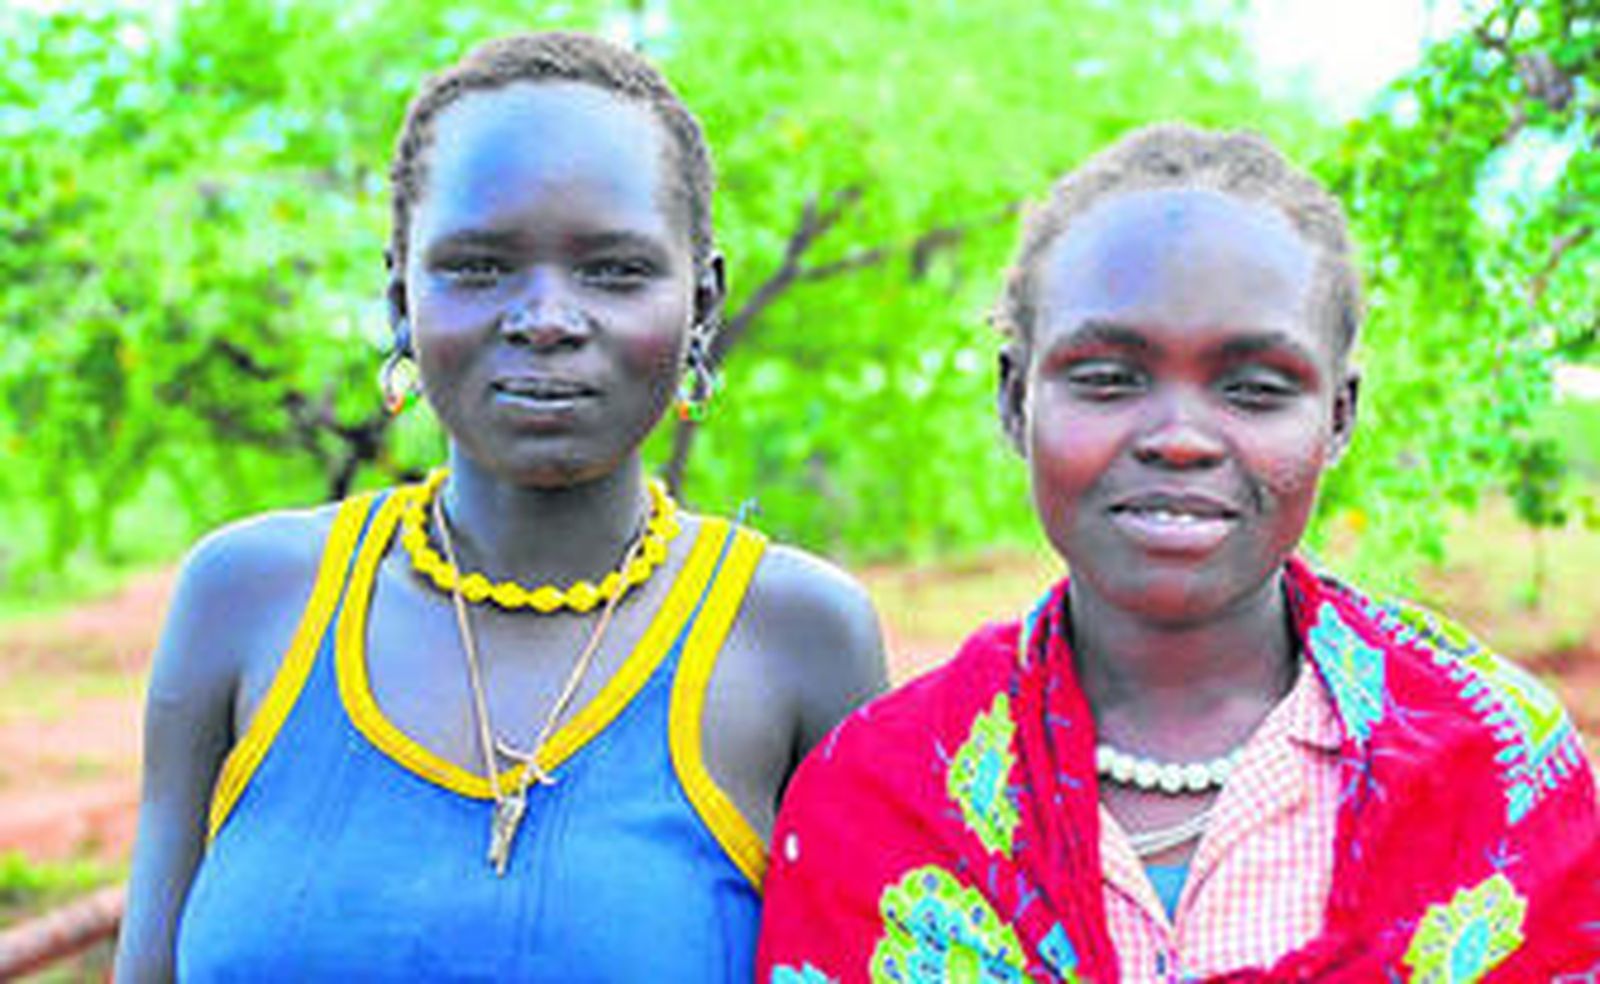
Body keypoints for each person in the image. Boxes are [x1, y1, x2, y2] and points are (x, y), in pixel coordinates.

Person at [114, 32, 886, 982]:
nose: (547, 318)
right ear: (401, 295)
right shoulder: (246, 600)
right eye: (478, 267)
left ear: (704, 305)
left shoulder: (797, 638)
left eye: (615, 270)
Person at [757, 124, 1600, 981]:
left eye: (1255, 390)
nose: (1180, 439)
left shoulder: (1495, 769)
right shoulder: (879, 798)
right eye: (1109, 379)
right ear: (1016, 400)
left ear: (1338, 416)